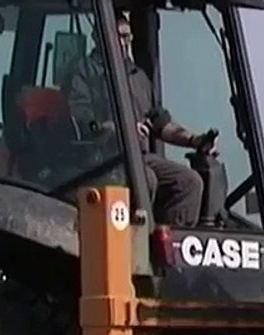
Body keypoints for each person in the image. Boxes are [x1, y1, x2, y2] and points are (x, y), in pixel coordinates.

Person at [65, 12, 213, 226]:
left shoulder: (139, 77)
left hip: (139, 156)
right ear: (99, 37)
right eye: (118, 37)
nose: (124, 43)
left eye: (127, 37)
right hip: (100, 160)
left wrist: (195, 140)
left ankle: (166, 249)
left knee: (190, 182)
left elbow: (160, 122)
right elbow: (80, 120)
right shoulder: (83, 73)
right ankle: (136, 246)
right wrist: (121, 129)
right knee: (145, 179)